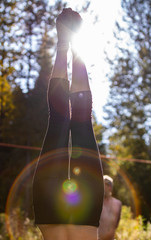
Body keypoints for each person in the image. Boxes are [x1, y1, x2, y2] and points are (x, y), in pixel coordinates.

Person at [32, 8, 104, 240]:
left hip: (76, 215)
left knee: (78, 124)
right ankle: (68, 45)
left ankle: (70, 46)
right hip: (54, 213)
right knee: (64, 122)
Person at [98, 175, 122, 240]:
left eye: (105, 185)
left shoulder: (117, 204)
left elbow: (116, 223)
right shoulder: (97, 203)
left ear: (110, 187)